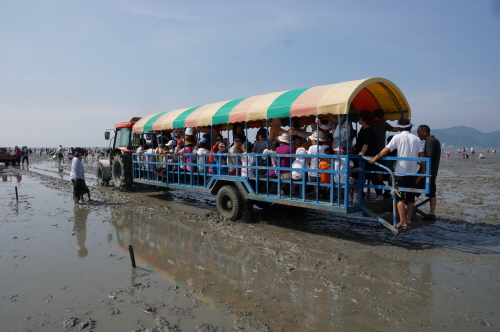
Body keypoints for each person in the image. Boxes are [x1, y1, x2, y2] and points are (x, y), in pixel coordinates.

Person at [368, 118, 424, 229]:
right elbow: (421, 154)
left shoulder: (397, 137)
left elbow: (386, 150)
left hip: (400, 173)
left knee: (400, 198)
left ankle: (402, 221)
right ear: (410, 127)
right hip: (412, 173)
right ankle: (408, 220)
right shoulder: (416, 139)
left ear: (399, 128)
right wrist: (423, 168)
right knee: (411, 198)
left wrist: (374, 159)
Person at [354, 110, 384, 200]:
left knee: (372, 175)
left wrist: (362, 153)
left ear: (363, 119)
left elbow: (366, 143)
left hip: (368, 156)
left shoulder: (369, 130)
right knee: (359, 174)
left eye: (359, 117)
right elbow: (360, 142)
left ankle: (379, 194)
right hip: (362, 157)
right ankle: (360, 193)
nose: (358, 119)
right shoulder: (362, 129)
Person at [417, 125, 441, 221]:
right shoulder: (434, 140)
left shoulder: (430, 141)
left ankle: (407, 212)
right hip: (433, 171)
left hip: (427, 171)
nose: (418, 135)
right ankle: (432, 214)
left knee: (411, 189)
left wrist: (421, 163)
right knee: (432, 192)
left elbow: (428, 157)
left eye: (418, 133)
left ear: (424, 132)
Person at [307, 131, 328, 196]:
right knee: (323, 176)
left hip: (312, 173)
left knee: (312, 176)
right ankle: (323, 190)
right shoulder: (326, 147)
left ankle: (316, 191)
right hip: (324, 172)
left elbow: (308, 160)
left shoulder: (311, 148)